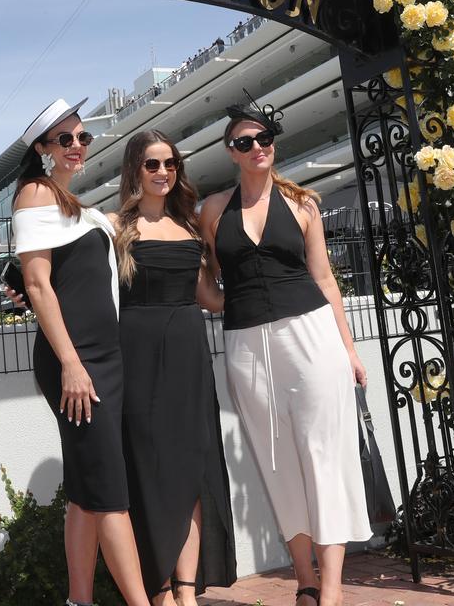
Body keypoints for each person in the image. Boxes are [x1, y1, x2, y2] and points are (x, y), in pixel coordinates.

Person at [199, 99, 372, 606]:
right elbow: (207, 290)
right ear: (231, 152)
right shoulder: (212, 210)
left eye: (264, 139)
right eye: (245, 142)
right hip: (246, 344)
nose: (257, 148)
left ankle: (333, 591)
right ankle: (305, 582)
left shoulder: (302, 204)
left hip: (311, 336)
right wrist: (244, 297)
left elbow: (325, 278)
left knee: (323, 456)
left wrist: (350, 349)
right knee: (276, 462)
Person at [12, 98, 152, 606]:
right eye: (64, 139)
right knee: (110, 492)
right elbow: (38, 284)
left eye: (82, 137)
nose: (77, 146)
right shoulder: (34, 194)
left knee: (87, 492)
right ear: (43, 149)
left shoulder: (84, 210)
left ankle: (78, 601)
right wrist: (71, 363)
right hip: (77, 361)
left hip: (103, 359)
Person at [110, 131, 237, 606]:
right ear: (134, 170)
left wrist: (261, 298)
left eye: (171, 163)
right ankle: (158, 588)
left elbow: (208, 297)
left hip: (188, 357)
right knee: (148, 473)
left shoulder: (189, 226)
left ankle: (187, 593)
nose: (163, 172)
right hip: (137, 359)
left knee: (193, 470)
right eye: (152, 164)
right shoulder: (114, 227)